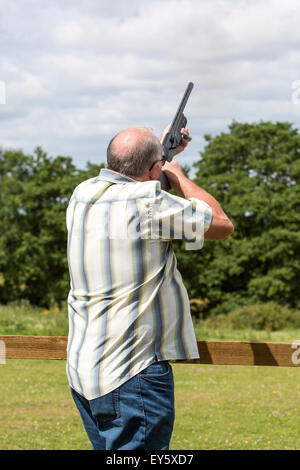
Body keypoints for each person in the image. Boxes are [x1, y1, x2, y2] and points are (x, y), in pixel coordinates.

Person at [66, 125, 234, 450]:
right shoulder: (150, 202)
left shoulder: (82, 195)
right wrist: (177, 173)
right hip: (133, 374)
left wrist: (160, 156)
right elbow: (221, 224)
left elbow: (131, 185)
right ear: (154, 169)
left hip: (85, 373)